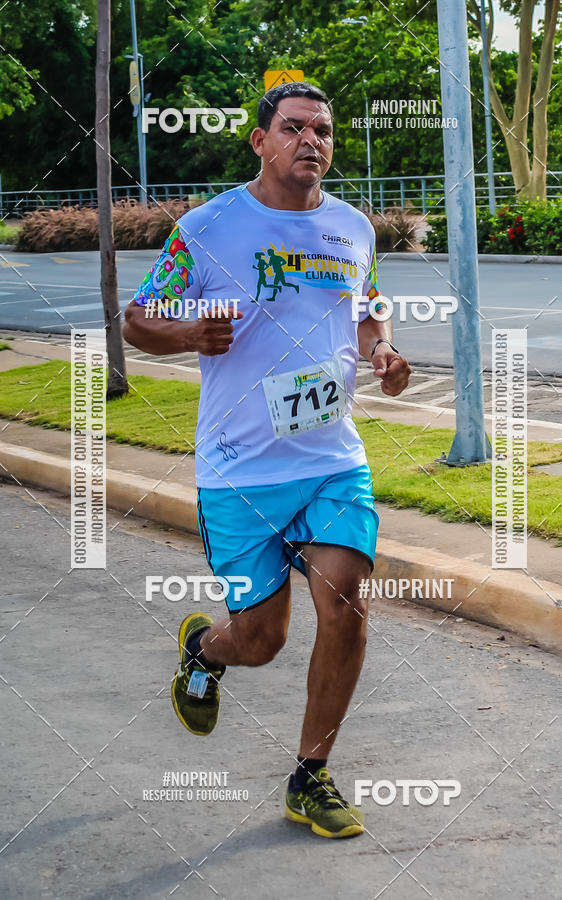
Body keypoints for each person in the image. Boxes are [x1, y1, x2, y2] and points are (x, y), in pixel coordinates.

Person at [123, 81, 411, 839]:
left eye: (323, 129)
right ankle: (205, 649)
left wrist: (379, 347)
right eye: (293, 128)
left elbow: (365, 304)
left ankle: (310, 776)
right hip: (240, 469)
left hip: (330, 459)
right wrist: (185, 337)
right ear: (260, 141)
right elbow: (139, 318)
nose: (310, 140)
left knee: (346, 604)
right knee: (263, 639)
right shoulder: (209, 227)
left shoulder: (351, 228)